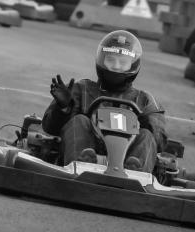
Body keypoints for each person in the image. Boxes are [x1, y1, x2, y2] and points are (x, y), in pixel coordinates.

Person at [42, 30, 167, 172]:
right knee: (80, 120)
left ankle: (135, 172)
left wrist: (146, 123)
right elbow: (50, 128)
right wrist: (63, 108)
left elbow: (160, 141)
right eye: (111, 60)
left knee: (146, 135)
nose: (116, 66)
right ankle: (82, 164)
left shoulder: (145, 100)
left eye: (123, 62)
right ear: (101, 60)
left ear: (133, 65)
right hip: (87, 150)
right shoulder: (80, 89)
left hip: (128, 156)